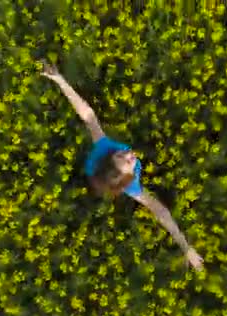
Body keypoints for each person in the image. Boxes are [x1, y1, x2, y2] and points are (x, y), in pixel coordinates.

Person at [41, 61, 204, 271]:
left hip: (103, 162)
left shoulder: (105, 146)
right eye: (127, 161)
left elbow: (87, 113)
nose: (129, 154)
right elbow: (160, 212)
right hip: (97, 173)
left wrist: (59, 79)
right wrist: (186, 247)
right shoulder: (130, 186)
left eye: (122, 154)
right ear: (127, 177)